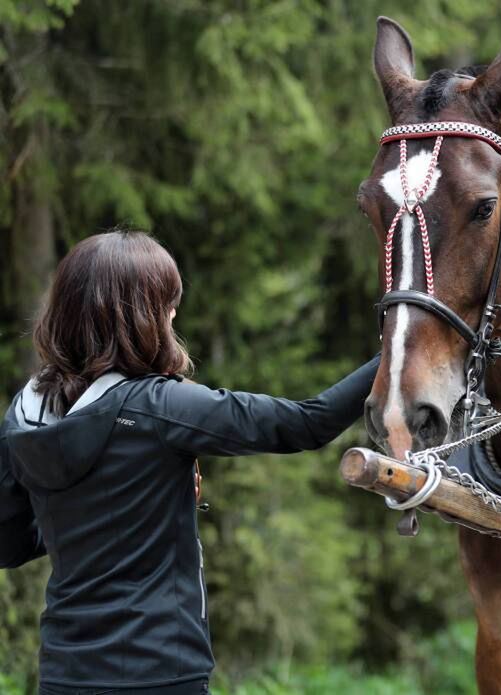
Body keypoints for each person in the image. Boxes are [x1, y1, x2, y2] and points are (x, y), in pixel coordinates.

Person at [0, 231, 379, 694]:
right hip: (161, 673)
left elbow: (8, 544)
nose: (174, 313)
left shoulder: (24, 414)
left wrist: (81, 524)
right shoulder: (159, 407)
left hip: (63, 676)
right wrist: (401, 350)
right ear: (142, 315)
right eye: (167, 303)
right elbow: (305, 423)